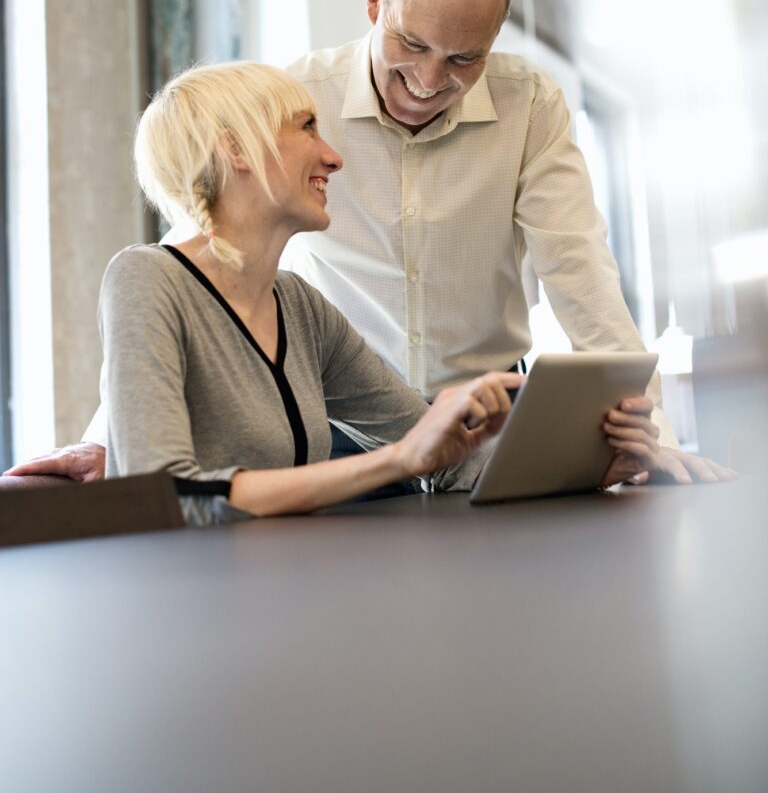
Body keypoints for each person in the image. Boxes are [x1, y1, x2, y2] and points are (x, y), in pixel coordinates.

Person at [7, 0, 733, 488]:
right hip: (344, 437)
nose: (427, 79)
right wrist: (111, 440)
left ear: (494, 41)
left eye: (463, 60)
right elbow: (193, 262)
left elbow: (583, 276)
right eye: (411, 44)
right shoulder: (293, 102)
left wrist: (653, 442)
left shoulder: (528, 105)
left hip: (479, 432)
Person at [84, 59, 553, 521]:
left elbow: (440, 451)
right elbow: (164, 493)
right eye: (307, 127)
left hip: (289, 584)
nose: (334, 157)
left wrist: (585, 459)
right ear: (236, 150)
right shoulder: (146, 278)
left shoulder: (301, 307)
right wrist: (397, 461)